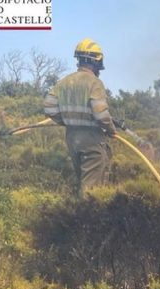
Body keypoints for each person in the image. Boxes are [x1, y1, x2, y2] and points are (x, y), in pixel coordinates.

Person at [44, 38, 117, 197]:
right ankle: (85, 217)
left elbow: (49, 107)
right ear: (96, 61)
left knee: (83, 179)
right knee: (91, 187)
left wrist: (65, 121)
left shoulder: (64, 82)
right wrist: (111, 130)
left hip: (72, 137)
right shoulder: (94, 82)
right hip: (91, 138)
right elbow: (101, 113)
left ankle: (80, 211)